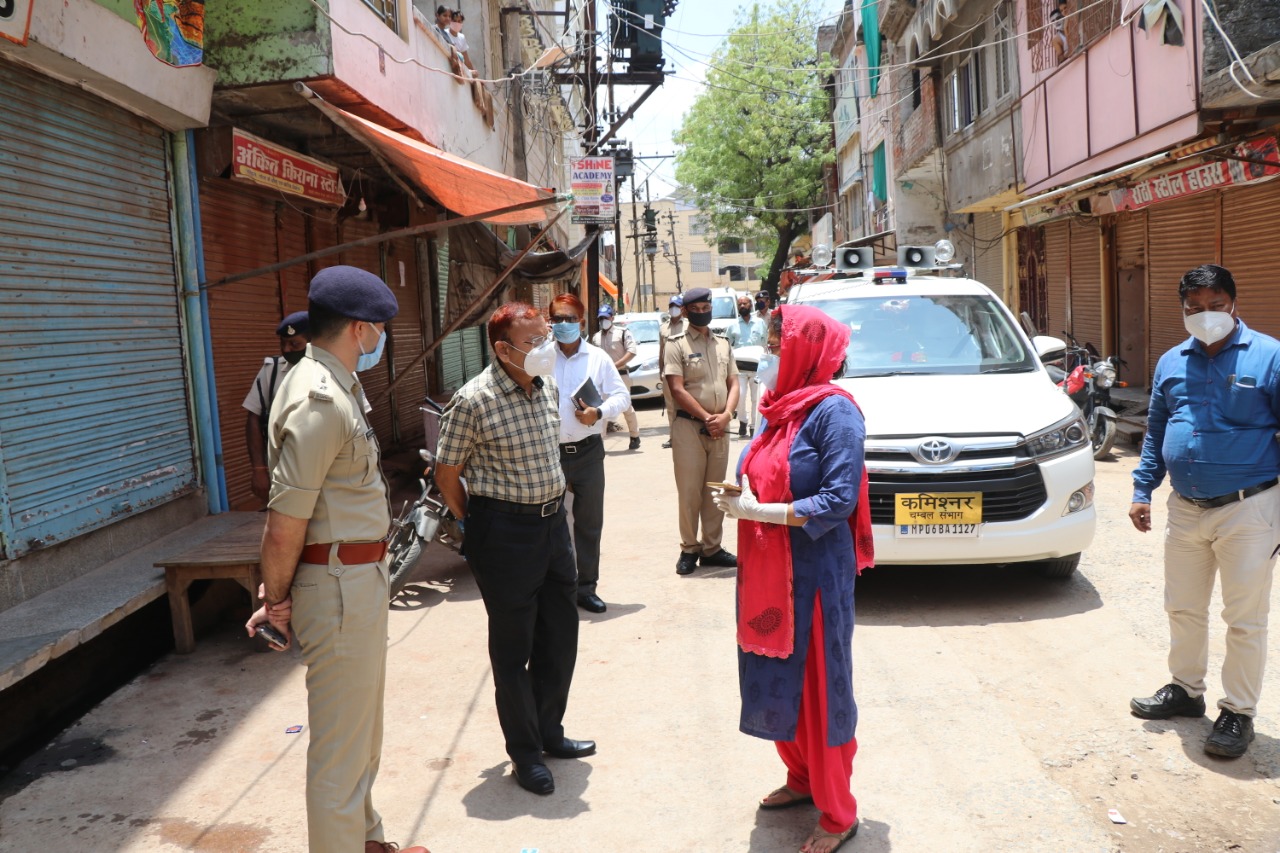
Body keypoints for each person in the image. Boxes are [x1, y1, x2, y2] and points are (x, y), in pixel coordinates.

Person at [243, 266, 429, 853]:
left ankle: (366, 841)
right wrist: (275, 599)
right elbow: (284, 522)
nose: (382, 339)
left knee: (359, 734)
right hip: (339, 583)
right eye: (379, 328)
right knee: (339, 749)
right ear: (358, 328)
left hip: (357, 576)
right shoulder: (319, 398)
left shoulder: (337, 383)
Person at [712, 305, 873, 853]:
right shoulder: (779, 410)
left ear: (807, 352)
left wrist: (761, 514)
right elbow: (762, 474)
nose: (772, 354)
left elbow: (837, 498)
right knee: (780, 677)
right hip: (769, 572)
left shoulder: (836, 414)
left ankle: (838, 811)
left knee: (822, 690)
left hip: (816, 576)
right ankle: (802, 778)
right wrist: (741, 496)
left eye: (781, 345)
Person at [432, 302, 596, 796]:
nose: (548, 347)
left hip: (552, 529)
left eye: (547, 336)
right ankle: (525, 754)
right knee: (513, 650)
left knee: (560, 638)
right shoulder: (473, 400)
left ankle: (550, 732)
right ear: (503, 350)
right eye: (535, 341)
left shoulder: (545, 387)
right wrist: (476, 524)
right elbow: (446, 474)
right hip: (504, 535)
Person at [1129, 264, 1280, 759]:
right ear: (1184, 311)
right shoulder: (1172, 361)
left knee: (1245, 617)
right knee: (1183, 606)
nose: (1206, 316)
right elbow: (1155, 429)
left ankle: (1238, 711)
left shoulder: (1270, 355)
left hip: (1249, 508)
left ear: (1234, 304)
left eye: (1215, 305)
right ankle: (1186, 691)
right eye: (1195, 309)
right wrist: (1141, 489)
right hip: (1186, 509)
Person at [548, 293, 632, 613]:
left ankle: (586, 588)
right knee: (550, 525)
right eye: (558, 319)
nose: (564, 325)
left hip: (587, 452)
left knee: (588, 523)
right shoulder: (541, 357)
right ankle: (556, 588)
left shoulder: (598, 358)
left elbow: (621, 397)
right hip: (549, 454)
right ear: (550, 322)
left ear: (581, 322)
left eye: (570, 319)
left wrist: (598, 413)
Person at [664, 287, 739, 575]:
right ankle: (689, 548)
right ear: (685, 311)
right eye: (694, 308)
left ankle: (712, 548)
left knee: (715, 491)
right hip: (689, 428)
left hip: (721, 427)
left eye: (705, 306)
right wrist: (709, 418)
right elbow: (677, 389)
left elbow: (734, 382)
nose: (701, 312)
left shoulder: (722, 343)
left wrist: (726, 416)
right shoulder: (676, 344)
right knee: (690, 492)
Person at [242, 311, 310, 503]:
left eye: (295, 344)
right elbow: (253, 418)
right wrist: (259, 470)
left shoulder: (334, 370)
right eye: (283, 344)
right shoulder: (271, 371)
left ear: (313, 342)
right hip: (283, 475)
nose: (287, 350)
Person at [591, 303, 641, 450]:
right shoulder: (596, 337)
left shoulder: (623, 333)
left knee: (626, 405)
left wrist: (615, 365)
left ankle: (634, 435)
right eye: (601, 318)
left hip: (621, 375)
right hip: (602, 377)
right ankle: (600, 441)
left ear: (612, 318)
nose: (603, 321)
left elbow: (631, 352)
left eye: (606, 318)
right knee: (602, 407)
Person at [726, 295, 767, 438]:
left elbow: (766, 343)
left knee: (756, 398)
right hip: (739, 369)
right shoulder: (732, 326)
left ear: (750, 305)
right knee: (740, 396)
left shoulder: (760, 323)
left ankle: (753, 426)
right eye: (740, 304)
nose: (742, 306)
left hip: (757, 367)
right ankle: (743, 421)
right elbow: (726, 346)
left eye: (745, 303)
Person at [658, 294, 685, 449]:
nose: (673, 309)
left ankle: (687, 437)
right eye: (671, 306)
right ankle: (673, 437)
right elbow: (661, 351)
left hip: (685, 372)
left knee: (686, 405)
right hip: (668, 373)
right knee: (671, 407)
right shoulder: (663, 328)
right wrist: (660, 370)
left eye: (676, 306)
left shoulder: (688, 325)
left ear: (682, 308)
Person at [448, 10, 476, 74]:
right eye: (454, 21)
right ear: (450, 21)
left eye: (459, 21)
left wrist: (474, 74)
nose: (457, 23)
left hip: (459, 69)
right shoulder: (445, 34)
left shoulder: (462, 37)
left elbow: (466, 60)